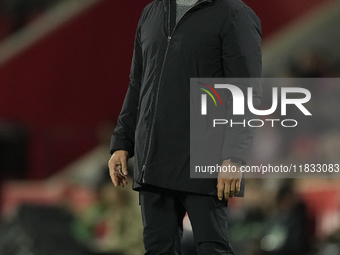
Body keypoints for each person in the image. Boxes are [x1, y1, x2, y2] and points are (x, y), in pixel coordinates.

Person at [108, 0, 262, 254]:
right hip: (153, 158)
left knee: (213, 250)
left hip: (205, 160)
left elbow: (245, 92)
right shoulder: (152, 12)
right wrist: (122, 142)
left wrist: (235, 156)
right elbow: (137, 83)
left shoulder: (234, 14)